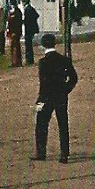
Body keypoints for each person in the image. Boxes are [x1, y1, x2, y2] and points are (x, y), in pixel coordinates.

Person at [32, 33, 78, 163]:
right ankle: (64, 153)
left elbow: (43, 83)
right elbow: (73, 78)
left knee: (41, 123)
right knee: (63, 123)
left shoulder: (43, 62)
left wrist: (40, 100)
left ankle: (41, 152)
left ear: (42, 46)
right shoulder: (64, 60)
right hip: (61, 95)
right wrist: (65, 89)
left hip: (47, 97)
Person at [22, 0, 40, 66]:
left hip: (29, 29)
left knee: (28, 45)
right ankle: (30, 60)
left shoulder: (28, 9)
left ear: (24, 3)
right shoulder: (31, 8)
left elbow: (28, 19)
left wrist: (27, 22)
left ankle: (29, 60)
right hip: (31, 28)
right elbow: (37, 15)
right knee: (29, 45)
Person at [7, 2, 23, 67]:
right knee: (14, 47)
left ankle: (16, 62)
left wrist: (14, 32)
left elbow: (16, 24)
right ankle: (15, 61)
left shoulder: (17, 12)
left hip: (15, 32)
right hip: (13, 32)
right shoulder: (13, 12)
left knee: (15, 47)